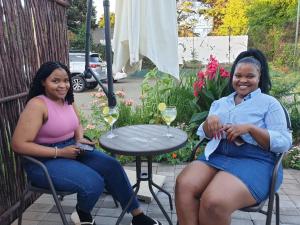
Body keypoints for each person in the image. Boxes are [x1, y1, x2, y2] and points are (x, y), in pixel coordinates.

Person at [12, 61, 162, 225]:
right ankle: (82, 214)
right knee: (93, 182)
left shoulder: (67, 99)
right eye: (55, 81)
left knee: (112, 166)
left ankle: (138, 215)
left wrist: (79, 138)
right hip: (43, 160)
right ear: (43, 82)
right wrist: (59, 152)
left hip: (71, 147)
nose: (63, 85)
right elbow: (18, 144)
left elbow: (77, 123)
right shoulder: (37, 105)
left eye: (66, 80)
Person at [175, 49, 292, 225]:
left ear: (260, 78)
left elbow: (284, 142)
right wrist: (209, 123)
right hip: (218, 154)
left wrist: (251, 129)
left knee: (214, 201)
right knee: (183, 185)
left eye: (250, 76)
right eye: (238, 75)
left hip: (256, 159)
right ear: (232, 77)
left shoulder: (269, 104)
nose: (243, 80)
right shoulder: (221, 103)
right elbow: (204, 133)